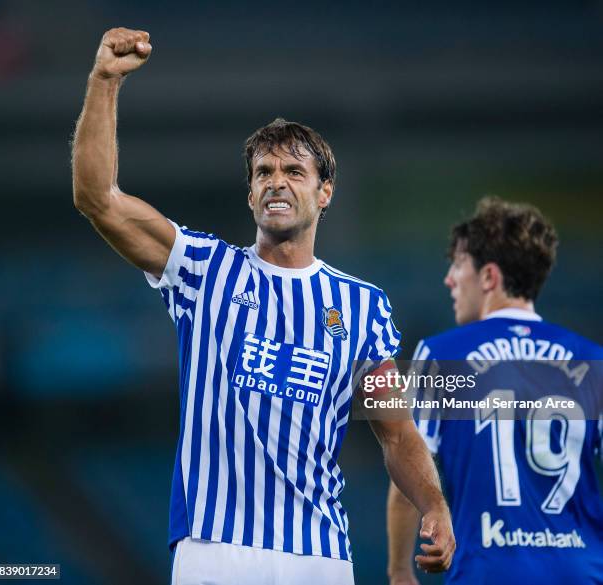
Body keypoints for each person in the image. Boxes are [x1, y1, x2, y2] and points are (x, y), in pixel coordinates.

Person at [71, 28, 455, 585]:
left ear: (324, 193)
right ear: (250, 194)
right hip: (215, 549)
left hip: (320, 553)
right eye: (264, 173)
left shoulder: (362, 306)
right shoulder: (203, 269)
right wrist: (105, 80)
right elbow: (97, 198)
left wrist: (435, 505)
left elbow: (396, 433)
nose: (278, 183)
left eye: (294, 172)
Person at [387, 196, 603, 585]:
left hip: (488, 572)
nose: (449, 279)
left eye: (457, 265)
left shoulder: (442, 355)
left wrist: (400, 571)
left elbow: (406, 471)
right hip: (581, 572)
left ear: (488, 277)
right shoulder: (592, 361)